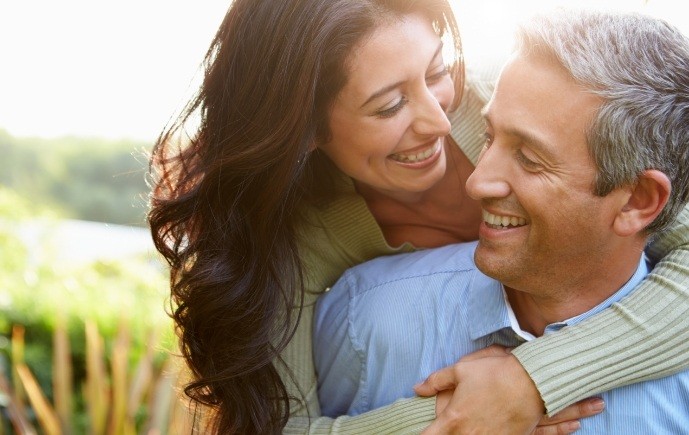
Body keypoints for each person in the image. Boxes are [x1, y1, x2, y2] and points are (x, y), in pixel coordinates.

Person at [146, 0, 689, 432]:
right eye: (388, 106)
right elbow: (271, 427)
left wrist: (533, 381)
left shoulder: (517, 104)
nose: (439, 120)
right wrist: (457, 419)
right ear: (305, 128)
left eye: (435, 71)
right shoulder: (297, 242)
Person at [315, 9, 689, 433]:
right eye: (488, 137)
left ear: (637, 201)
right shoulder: (361, 318)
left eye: (530, 159)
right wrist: (455, 418)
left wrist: (535, 380)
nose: (475, 182)